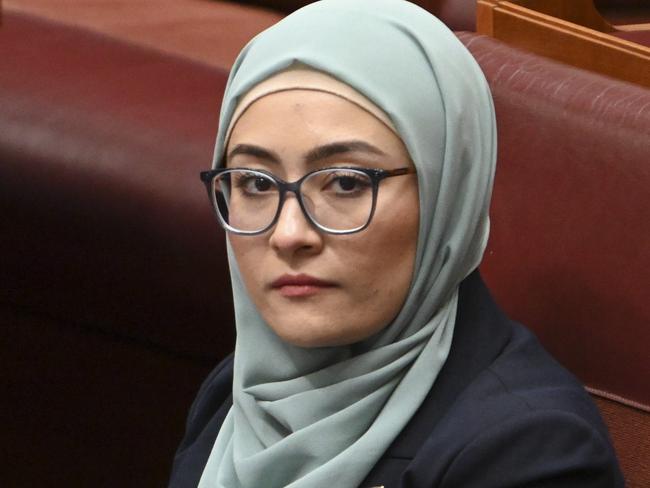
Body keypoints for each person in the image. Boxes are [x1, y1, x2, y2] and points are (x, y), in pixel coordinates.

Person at [169, 0, 623, 486]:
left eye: (345, 183)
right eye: (256, 184)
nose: (289, 234)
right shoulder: (241, 391)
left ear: (447, 194)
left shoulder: (530, 454)